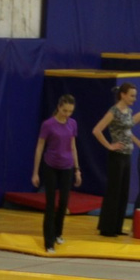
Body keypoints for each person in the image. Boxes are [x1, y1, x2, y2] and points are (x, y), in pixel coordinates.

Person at [32, 94, 82, 251]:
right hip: (51, 166)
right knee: (50, 203)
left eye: (70, 111)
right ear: (59, 107)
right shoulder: (48, 124)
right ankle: (48, 242)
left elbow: (73, 147)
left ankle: (58, 233)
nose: (67, 114)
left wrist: (77, 170)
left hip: (67, 166)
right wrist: (35, 172)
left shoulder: (72, 123)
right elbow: (40, 147)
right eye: (65, 110)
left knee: (64, 202)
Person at [91, 82, 137, 237]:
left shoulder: (129, 111)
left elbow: (128, 132)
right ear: (123, 95)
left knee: (123, 192)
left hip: (127, 155)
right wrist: (109, 146)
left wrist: (138, 143)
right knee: (114, 191)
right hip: (117, 156)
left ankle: (117, 226)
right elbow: (97, 130)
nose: (134, 99)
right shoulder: (114, 111)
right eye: (131, 95)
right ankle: (107, 227)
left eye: (135, 96)